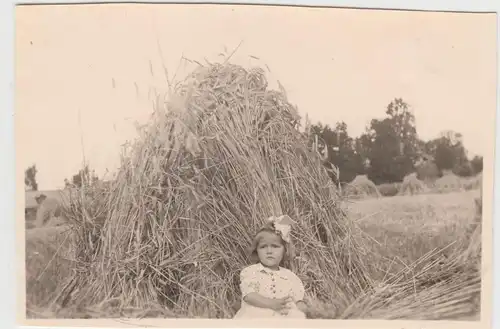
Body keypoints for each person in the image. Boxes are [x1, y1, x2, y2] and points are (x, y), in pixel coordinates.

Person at [233, 215, 309, 318]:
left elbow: (299, 301)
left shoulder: (290, 276)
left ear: (284, 250)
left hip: (283, 317)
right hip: (257, 315)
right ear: (257, 251)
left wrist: (301, 307)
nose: (269, 251)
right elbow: (249, 296)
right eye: (263, 247)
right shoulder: (251, 272)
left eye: (275, 246)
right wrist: (273, 304)